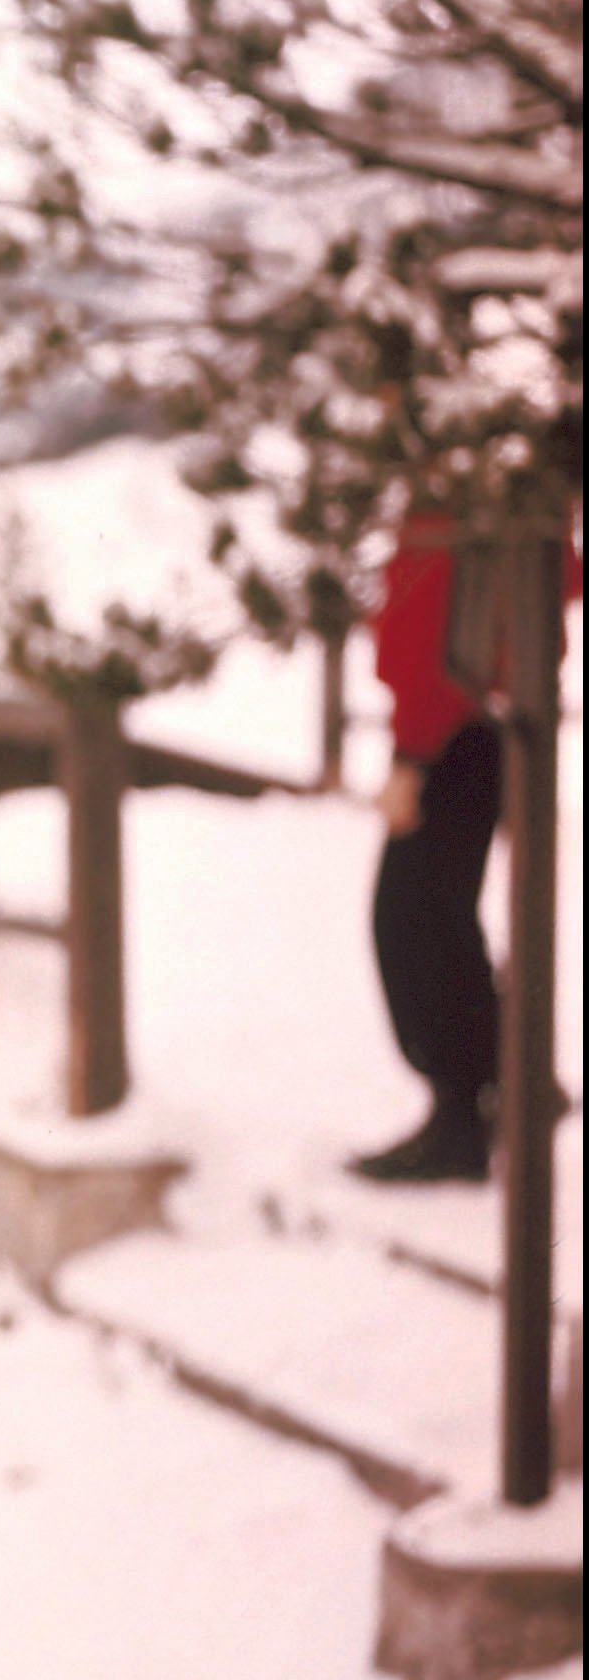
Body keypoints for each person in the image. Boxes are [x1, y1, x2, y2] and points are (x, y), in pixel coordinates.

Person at [349, 507, 579, 1183]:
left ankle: (464, 1117)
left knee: (412, 924)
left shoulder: (452, 490)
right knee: (441, 920)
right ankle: (511, 1084)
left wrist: (412, 759)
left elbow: (425, 636)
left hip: (448, 731)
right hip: (484, 724)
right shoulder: (492, 483)